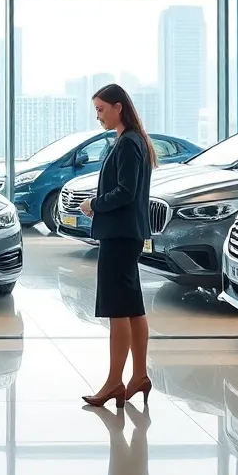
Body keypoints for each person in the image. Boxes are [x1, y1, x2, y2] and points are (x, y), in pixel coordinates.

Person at [80, 83, 155, 409]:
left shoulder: (128, 144)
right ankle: (138, 376)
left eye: (101, 109)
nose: (98, 116)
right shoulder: (133, 142)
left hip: (120, 235)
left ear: (118, 107)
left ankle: (114, 382)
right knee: (133, 307)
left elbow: (125, 191)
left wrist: (94, 204)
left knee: (118, 311)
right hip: (128, 234)